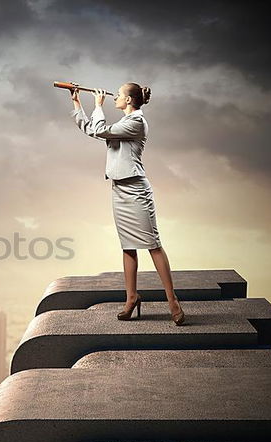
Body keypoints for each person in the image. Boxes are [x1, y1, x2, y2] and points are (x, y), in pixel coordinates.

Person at [69, 82, 185, 325]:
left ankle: (172, 301)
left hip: (136, 190)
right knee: (127, 246)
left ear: (130, 100)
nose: (115, 98)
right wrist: (77, 102)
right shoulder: (122, 123)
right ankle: (131, 298)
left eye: (119, 95)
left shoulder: (135, 122)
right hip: (119, 189)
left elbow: (101, 130)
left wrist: (97, 106)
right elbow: (92, 129)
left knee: (153, 244)